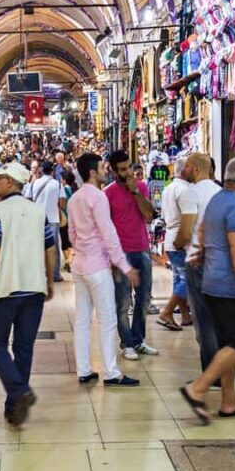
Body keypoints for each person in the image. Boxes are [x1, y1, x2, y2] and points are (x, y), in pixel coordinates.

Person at [0, 162, 56, 426]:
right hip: (33, 288)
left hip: (5, 289)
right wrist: (49, 280)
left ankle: (19, 392)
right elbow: (50, 249)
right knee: (23, 347)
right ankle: (14, 408)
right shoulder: (38, 212)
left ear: (10, 182)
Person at [181, 158, 235, 424]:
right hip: (231, 287)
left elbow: (203, 230)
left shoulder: (217, 200)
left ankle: (229, 401)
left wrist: (203, 252)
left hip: (214, 283)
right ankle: (198, 388)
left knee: (228, 343)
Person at [70, 153, 141, 386]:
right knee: (107, 319)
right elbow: (108, 233)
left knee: (82, 319)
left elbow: (71, 234)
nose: (105, 170)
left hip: (79, 265)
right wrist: (124, 265)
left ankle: (84, 369)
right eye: (102, 167)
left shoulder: (74, 199)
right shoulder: (98, 197)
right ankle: (111, 372)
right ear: (92, 172)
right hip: (97, 267)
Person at [106, 150, 157, 359]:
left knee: (143, 298)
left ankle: (139, 339)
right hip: (120, 253)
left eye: (129, 167)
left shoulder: (141, 186)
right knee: (123, 301)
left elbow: (148, 216)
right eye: (122, 169)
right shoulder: (108, 193)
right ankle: (126, 342)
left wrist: (135, 191)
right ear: (113, 171)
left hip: (142, 249)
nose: (128, 172)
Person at [182, 153, 221, 375]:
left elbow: (186, 232)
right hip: (219, 261)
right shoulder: (221, 192)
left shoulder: (192, 193)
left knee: (203, 319)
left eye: (187, 167)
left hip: (197, 260)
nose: (183, 171)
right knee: (217, 318)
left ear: (197, 169)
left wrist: (178, 242)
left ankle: (210, 374)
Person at [157, 158, 196, 331]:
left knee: (178, 278)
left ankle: (185, 315)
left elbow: (165, 215)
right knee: (186, 279)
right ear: (183, 171)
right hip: (181, 240)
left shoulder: (168, 189)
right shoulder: (184, 190)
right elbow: (188, 218)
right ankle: (167, 311)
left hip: (170, 238)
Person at [24, 160, 67, 282]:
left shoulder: (34, 183)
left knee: (37, 246)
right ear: (52, 171)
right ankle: (55, 274)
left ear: (42, 170)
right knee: (53, 248)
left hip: (37, 219)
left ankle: (38, 273)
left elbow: (27, 199)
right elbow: (63, 203)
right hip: (53, 219)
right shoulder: (57, 184)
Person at [60, 169, 77, 272]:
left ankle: (68, 261)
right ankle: (71, 261)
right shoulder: (75, 190)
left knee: (64, 242)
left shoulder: (63, 191)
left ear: (64, 180)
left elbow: (61, 204)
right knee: (71, 242)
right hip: (74, 218)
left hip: (64, 218)